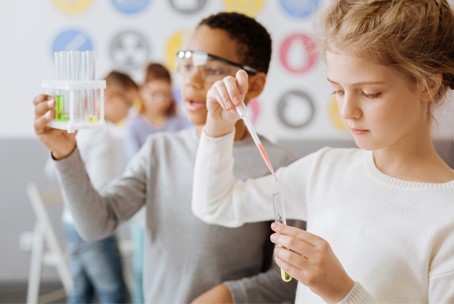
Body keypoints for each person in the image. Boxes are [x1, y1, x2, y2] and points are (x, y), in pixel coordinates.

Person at [191, 1, 454, 303]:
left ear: (428, 85)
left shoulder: (447, 215)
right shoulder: (325, 170)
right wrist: (218, 129)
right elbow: (215, 205)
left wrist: (342, 292)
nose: (347, 111)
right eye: (338, 90)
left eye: (370, 93)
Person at [33, 12, 303, 303]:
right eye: (187, 64)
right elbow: (96, 224)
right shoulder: (158, 151)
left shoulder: (279, 167)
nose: (192, 80)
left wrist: (229, 295)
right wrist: (65, 153)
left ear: (255, 84)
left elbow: (288, 278)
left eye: (212, 69)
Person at [45, 70, 139, 304]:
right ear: (109, 96)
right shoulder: (101, 131)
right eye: (127, 103)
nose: (128, 111)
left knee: (81, 293)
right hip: (92, 225)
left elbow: (51, 169)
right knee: (113, 293)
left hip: (71, 222)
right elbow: (101, 186)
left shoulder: (78, 127)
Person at [124, 62, 189, 304]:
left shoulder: (179, 122)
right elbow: (136, 166)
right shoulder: (134, 126)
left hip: (176, 205)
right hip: (144, 206)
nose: (160, 99)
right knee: (143, 264)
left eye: (165, 93)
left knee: (174, 263)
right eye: (154, 93)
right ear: (143, 92)